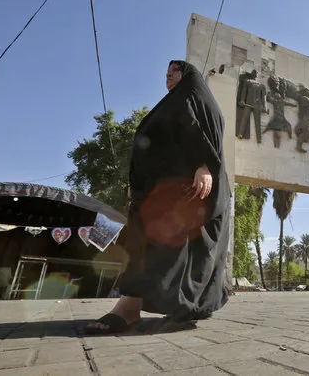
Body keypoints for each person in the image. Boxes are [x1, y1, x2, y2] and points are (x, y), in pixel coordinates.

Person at [86, 60, 231, 335]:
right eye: (165, 74)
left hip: (186, 190)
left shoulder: (196, 96)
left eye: (174, 72)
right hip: (155, 192)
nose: (168, 77)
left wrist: (205, 166)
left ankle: (129, 308)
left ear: (188, 75)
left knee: (164, 245)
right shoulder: (171, 102)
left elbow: (208, 129)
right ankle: (148, 307)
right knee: (146, 244)